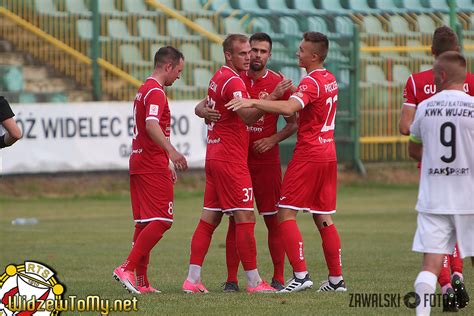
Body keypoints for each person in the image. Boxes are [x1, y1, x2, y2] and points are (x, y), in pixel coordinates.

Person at [226, 32, 346, 293]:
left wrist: (253, 100)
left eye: (301, 50)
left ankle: (300, 275)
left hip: (310, 155)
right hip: (328, 154)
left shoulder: (312, 81)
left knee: (285, 213)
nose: (297, 53)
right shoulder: (329, 78)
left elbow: (290, 110)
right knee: (323, 216)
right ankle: (336, 280)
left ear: (314, 56)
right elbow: (305, 104)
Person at [197, 32, 297, 292]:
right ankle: (232, 280)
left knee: (272, 219)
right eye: (253, 50)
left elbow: (293, 123)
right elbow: (204, 103)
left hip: (265, 161)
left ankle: (278, 277)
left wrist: (273, 139)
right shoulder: (235, 76)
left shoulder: (277, 82)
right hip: (236, 159)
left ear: (269, 55)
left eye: (263, 51)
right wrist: (201, 110)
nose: (256, 55)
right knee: (236, 219)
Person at [182, 34, 275, 294]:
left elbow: (203, 105)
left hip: (215, 155)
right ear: (228, 56)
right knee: (245, 217)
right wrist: (268, 101)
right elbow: (246, 116)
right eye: (243, 53)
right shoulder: (233, 80)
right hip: (230, 160)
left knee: (209, 219)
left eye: (250, 53)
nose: (249, 58)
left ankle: (193, 279)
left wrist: (202, 111)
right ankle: (255, 282)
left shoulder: (218, 76)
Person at [400, 26, 472, 311]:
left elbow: (410, 139)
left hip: (434, 186)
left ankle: (437, 292)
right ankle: (457, 274)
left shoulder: (425, 102)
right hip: (469, 188)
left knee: (429, 261)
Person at [113, 46, 188, 294]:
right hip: (150, 163)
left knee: (144, 223)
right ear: (168, 66)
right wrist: (172, 152)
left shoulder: (143, 89)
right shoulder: (156, 92)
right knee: (163, 220)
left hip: (140, 161)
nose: (179, 76)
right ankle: (127, 267)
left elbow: (148, 129)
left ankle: (142, 282)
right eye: (178, 70)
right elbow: (152, 125)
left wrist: (165, 159)